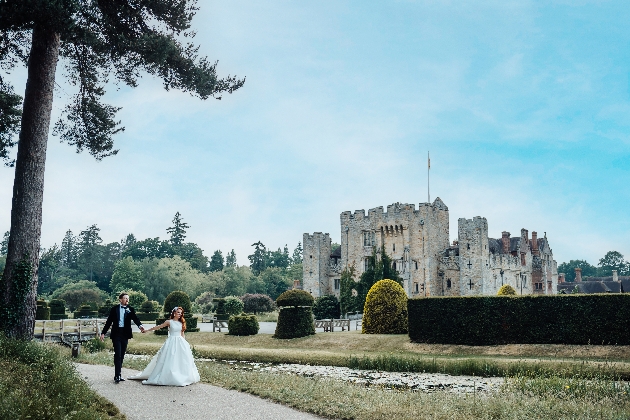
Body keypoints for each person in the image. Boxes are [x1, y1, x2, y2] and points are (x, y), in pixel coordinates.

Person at [129, 306, 200, 386]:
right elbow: (158, 327)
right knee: (169, 358)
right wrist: (147, 330)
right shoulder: (169, 322)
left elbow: (182, 333)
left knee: (181, 360)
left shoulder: (181, 322)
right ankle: (168, 376)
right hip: (171, 342)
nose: (180, 314)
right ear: (174, 313)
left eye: (181, 313)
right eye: (178, 312)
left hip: (180, 342)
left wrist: (185, 343)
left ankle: (182, 376)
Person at [100, 293, 145, 384]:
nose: (127, 300)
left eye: (128, 298)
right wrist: (103, 333)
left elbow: (135, 319)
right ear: (120, 299)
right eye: (125, 298)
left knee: (122, 354)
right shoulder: (114, 309)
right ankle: (117, 375)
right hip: (116, 334)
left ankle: (119, 374)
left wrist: (140, 326)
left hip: (125, 334)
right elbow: (109, 322)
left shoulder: (130, 309)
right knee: (118, 354)